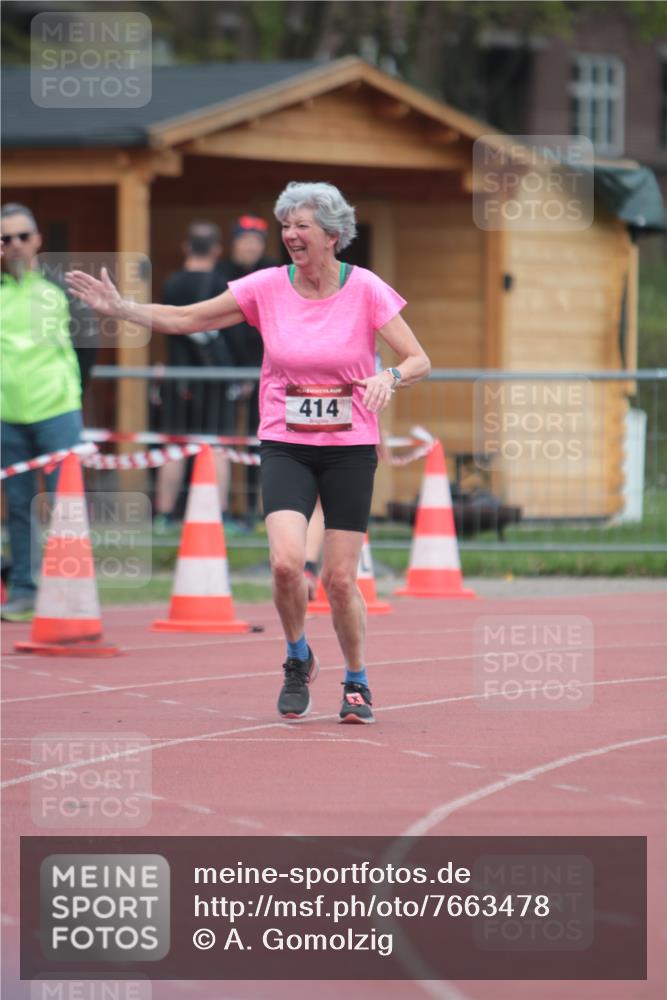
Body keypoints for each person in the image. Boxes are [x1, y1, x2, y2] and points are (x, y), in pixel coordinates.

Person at [66, 181, 431, 724]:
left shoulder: (366, 289)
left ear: (332, 235)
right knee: (286, 565)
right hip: (285, 441)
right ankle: (296, 656)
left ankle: (357, 679)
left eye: (301, 226)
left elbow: (419, 357)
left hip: (350, 447)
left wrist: (389, 376)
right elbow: (190, 319)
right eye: (285, 226)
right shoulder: (265, 287)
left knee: (337, 580)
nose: (289, 235)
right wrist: (123, 308)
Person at [1, 202, 96, 622]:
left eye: (23, 236)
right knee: (19, 505)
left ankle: (73, 590)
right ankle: (23, 587)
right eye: (6, 239)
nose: (15, 245)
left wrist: (71, 391)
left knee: (67, 506)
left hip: (58, 412)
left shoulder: (61, 288)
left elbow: (87, 344)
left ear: (37, 240)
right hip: (7, 417)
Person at [152, 221, 235, 532]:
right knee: (218, 447)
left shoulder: (172, 283)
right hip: (214, 380)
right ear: (217, 250)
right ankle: (222, 517)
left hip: (177, 378)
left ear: (186, 247)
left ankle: (164, 516)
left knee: (173, 447)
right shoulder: (221, 284)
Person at [219, 215, 277, 529]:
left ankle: (257, 509)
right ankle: (223, 509)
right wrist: (231, 371)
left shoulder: (272, 271)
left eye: (256, 241)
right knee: (225, 439)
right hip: (226, 372)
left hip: (265, 371)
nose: (251, 247)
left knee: (262, 440)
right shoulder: (221, 274)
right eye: (245, 241)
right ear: (234, 243)